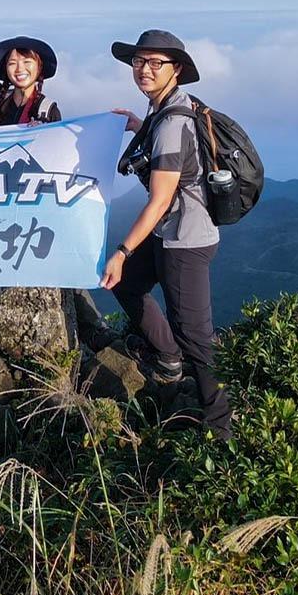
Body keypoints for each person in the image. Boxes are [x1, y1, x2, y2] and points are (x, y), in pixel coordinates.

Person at [0, 0, 115, 352]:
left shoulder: (49, 110)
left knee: (44, 265)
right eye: (14, 62)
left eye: (26, 62)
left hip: (35, 199)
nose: (19, 68)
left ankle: (87, 323)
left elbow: (61, 156)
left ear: (39, 70)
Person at [101, 30, 233, 441]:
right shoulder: (167, 109)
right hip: (169, 232)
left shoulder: (173, 120)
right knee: (127, 287)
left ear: (175, 70)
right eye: (139, 61)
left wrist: (122, 250)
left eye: (155, 63)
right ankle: (169, 359)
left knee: (196, 336)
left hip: (185, 240)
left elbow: (159, 199)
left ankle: (221, 429)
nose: (144, 69)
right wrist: (140, 125)